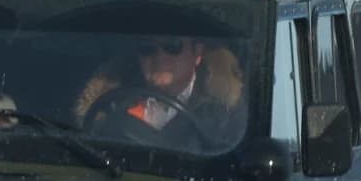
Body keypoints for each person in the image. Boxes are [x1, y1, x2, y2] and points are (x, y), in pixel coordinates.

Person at [72, 36, 247, 152]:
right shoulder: (109, 108)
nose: (160, 56)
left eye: (173, 46)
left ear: (197, 53)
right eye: (147, 47)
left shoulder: (225, 118)